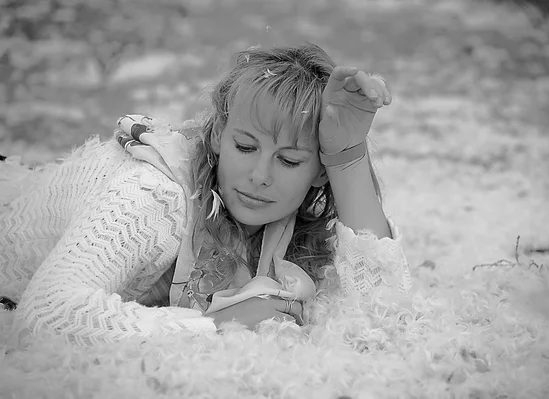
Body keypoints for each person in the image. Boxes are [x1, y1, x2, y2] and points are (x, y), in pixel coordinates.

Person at [0, 43, 412, 346]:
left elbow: (386, 314)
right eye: (245, 148)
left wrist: (347, 158)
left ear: (317, 172)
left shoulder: (287, 224)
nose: (260, 176)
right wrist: (219, 326)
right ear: (217, 136)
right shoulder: (155, 196)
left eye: (289, 161)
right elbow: (46, 316)